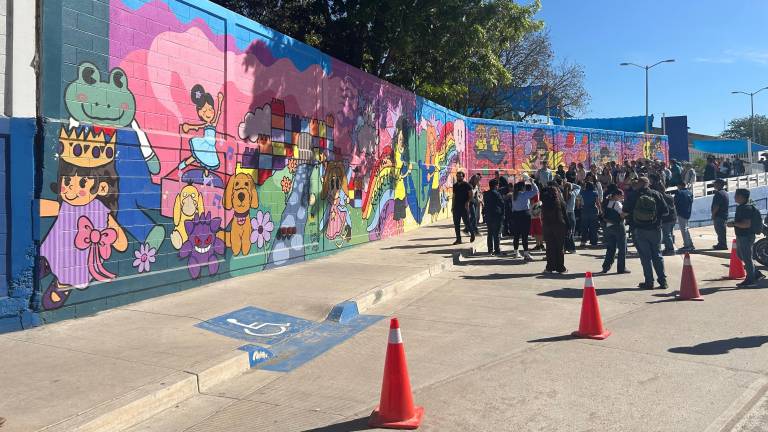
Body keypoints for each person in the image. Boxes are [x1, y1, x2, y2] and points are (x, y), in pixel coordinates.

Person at [623, 176, 669, 290]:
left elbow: (624, 212)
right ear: (648, 184)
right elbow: (666, 212)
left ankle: (649, 282)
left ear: (638, 184)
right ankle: (663, 281)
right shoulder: (656, 194)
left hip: (639, 229)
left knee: (645, 257)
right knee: (657, 255)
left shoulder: (633, 195)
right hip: (655, 229)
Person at [728, 189, 765, 286]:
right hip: (742, 236)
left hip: (746, 236)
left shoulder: (746, 208)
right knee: (740, 255)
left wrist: (733, 224)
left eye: (736, 195)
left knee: (747, 258)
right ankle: (756, 274)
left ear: (741, 197)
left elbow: (746, 224)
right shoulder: (742, 207)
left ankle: (751, 280)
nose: (734, 197)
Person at [600, 189, 629, 274]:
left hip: (609, 227)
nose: (623, 197)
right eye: (621, 195)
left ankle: (606, 267)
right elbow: (622, 214)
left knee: (610, 248)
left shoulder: (607, 203)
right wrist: (629, 213)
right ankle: (621, 268)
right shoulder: (617, 203)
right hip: (618, 227)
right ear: (616, 195)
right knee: (622, 248)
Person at [510, 176, 538, 261]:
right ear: (523, 187)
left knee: (516, 235)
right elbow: (536, 191)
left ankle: (515, 252)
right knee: (524, 235)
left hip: (515, 215)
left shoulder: (513, 195)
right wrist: (532, 183)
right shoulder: (525, 194)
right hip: (524, 215)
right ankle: (526, 253)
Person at [541, 186, 568, 273]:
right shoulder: (560, 202)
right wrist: (569, 227)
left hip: (547, 226)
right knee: (559, 248)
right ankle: (560, 267)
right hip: (559, 226)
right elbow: (565, 215)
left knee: (550, 247)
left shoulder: (544, 203)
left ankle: (550, 267)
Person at [451, 171, 474, 245]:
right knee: (456, 224)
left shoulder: (467, 185)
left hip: (464, 207)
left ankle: (472, 233)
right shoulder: (455, 185)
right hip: (456, 207)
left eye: (460, 176)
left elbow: (471, 195)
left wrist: (467, 202)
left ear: (463, 177)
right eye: (457, 176)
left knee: (467, 222)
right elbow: (454, 196)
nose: (458, 177)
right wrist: (452, 206)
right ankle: (458, 239)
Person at [482, 178, 505, 255]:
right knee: (497, 233)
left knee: (490, 233)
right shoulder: (497, 194)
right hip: (497, 215)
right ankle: (497, 250)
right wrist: (503, 214)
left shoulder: (486, 194)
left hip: (488, 215)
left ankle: (490, 250)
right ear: (496, 185)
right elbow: (502, 204)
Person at [674, 181, 695, 252]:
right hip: (688, 212)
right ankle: (690, 244)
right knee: (686, 229)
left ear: (680, 185)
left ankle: (687, 245)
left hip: (681, 213)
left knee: (684, 230)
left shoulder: (679, 193)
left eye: (678, 186)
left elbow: (675, 202)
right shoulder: (690, 193)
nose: (677, 187)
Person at [579, 181, 600, 247]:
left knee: (584, 227)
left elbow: (580, 201)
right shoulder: (595, 193)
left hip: (584, 210)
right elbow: (597, 202)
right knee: (593, 227)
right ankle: (593, 242)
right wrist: (600, 210)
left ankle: (583, 241)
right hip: (593, 210)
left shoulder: (582, 192)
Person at [658, 186, 677, 256]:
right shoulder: (670, 197)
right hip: (673, 218)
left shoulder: (661, 198)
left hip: (667, 219)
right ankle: (668, 248)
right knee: (669, 234)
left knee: (667, 235)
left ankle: (670, 249)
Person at [711, 178, 729, 250]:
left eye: (715, 183)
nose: (714, 185)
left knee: (720, 231)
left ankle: (722, 245)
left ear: (719, 184)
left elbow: (716, 206)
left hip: (719, 215)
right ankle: (721, 244)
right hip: (723, 215)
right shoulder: (725, 193)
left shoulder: (718, 193)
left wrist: (713, 214)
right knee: (721, 231)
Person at [563, 182, 580, 253]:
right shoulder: (573, 194)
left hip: (564, 214)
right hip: (571, 214)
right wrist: (571, 184)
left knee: (565, 232)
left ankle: (565, 248)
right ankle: (572, 248)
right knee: (571, 232)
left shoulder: (562, 195)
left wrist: (565, 185)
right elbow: (579, 187)